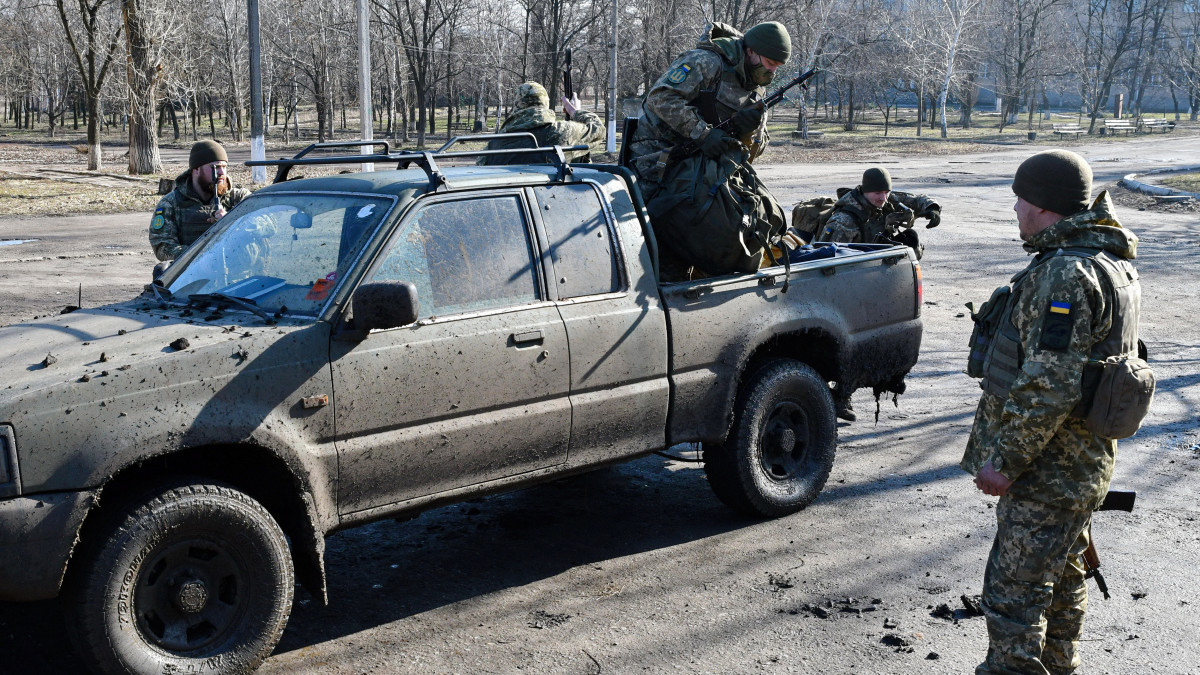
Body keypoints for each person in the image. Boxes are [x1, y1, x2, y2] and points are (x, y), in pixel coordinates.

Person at [962, 150, 1143, 674]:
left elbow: (1048, 384)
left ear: (1041, 205)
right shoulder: (1107, 261)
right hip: (1081, 465)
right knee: (1062, 587)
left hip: (1048, 472)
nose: (1016, 208)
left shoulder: (1065, 273)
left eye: (1020, 198)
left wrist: (1006, 461)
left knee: (1014, 601)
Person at [626, 21, 791, 279]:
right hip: (658, 166)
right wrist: (704, 134)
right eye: (769, 63)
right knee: (665, 256)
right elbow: (660, 98)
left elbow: (751, 153)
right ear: (751, 51)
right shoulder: (706, 62)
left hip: (704, 175)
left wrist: (749, 132)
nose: (772, 72)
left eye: (777, 67)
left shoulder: (756, 88)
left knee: (746, 223)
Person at [150, 139, 251, 261]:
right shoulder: (171, 203)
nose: (221, 172)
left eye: (224, 167)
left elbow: (267, 226)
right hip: (194, 275)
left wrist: (232, 222)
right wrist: (204, 255)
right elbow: (163, 247)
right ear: (196, 170)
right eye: (215, 167)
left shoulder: (240, 198)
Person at [478, 81, 605, 165]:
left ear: (517, 105)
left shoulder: (492, 148)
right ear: (545, 104)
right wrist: (575, 111)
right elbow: (598, 130)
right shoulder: (560, 133)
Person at [820, 167, 941, 255]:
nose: (883, 198)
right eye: (877, 193)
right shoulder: (843, 221)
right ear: (865, 191)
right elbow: (826, 258)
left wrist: (932, 208)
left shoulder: (886, 199)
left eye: (886, 192)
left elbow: (917, 200)